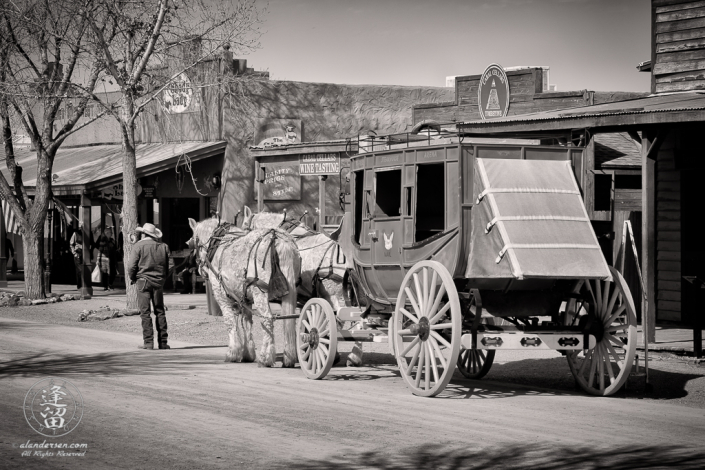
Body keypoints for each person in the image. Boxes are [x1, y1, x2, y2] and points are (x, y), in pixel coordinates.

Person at [127, 223, 170, 350]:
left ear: (143, 234)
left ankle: (148, 342)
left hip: (143, 281)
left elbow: (131, 267)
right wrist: (162, 278)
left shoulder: (138, 246)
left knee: (145, 313)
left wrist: (133, 277)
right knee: (160, 312)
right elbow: (169, 266)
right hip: (158, 282)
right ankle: (163, 342)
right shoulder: (164, 247)